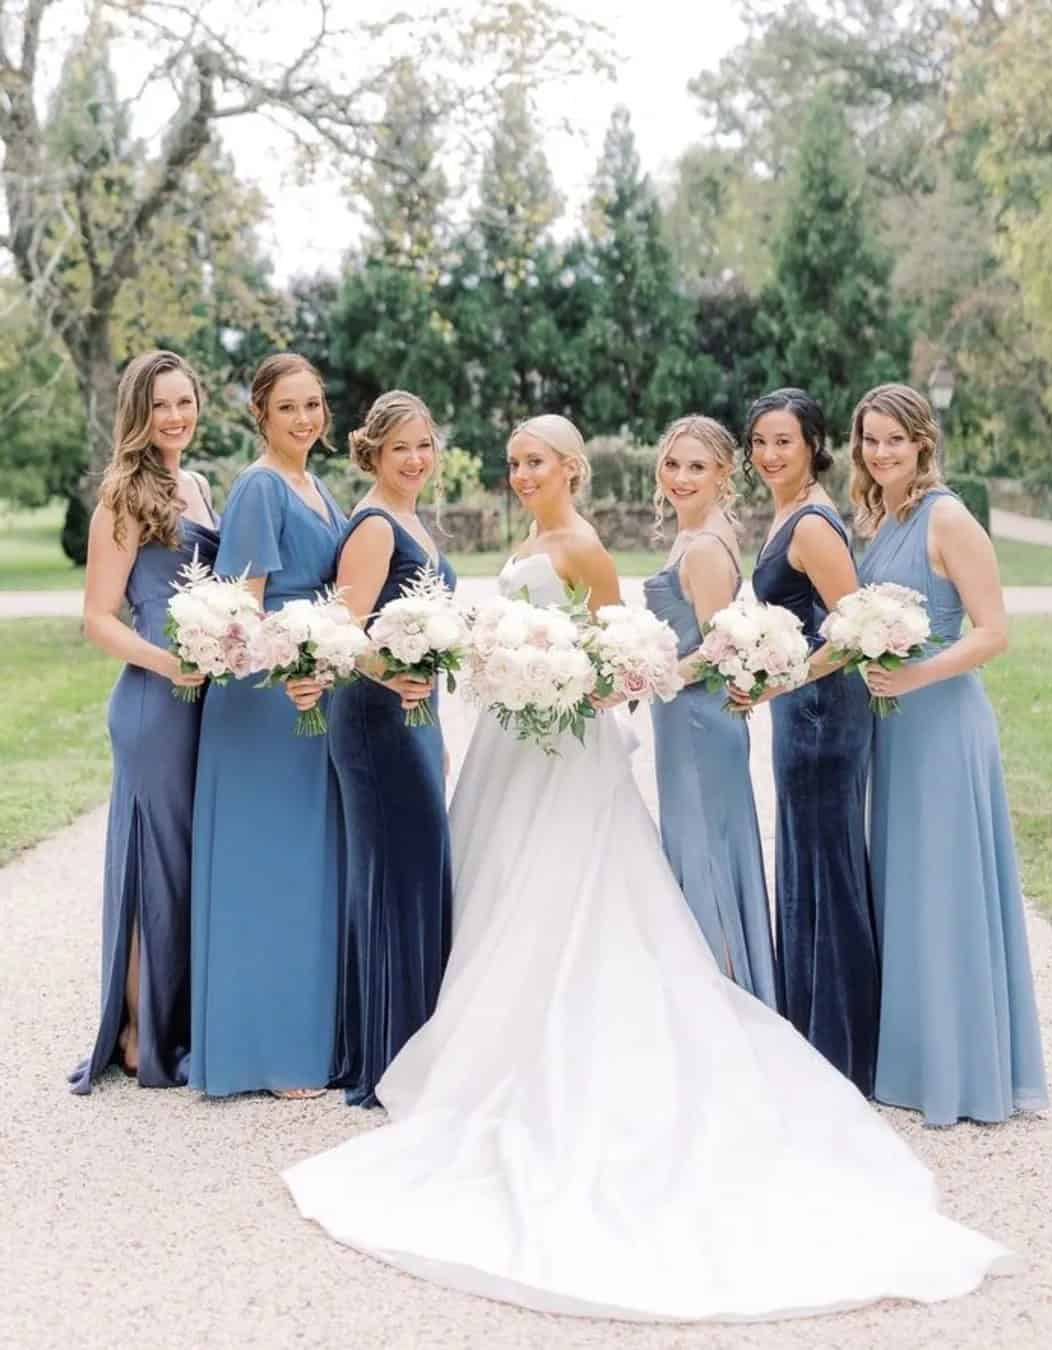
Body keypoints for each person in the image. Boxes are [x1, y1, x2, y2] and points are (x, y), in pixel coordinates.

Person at [282, 414, 1013, 1323]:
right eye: (512, 462)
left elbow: (605, 647)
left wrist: (571, 673)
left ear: (572, 468)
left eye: (535, 461)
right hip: (517, 732)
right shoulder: (538, 539)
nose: (520, 474)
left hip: (565, 730)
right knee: (500, 871)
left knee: (583, 878)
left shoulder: (587, 546)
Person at [852, 382, 1048, 1126]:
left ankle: (963, 1072)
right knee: (906, 885)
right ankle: (913, 1058)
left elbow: (994, 631)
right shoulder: (885, 517)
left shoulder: (948, 516)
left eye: (894, 440)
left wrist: (917, 673)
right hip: (894, 725)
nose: (880, 452)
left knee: (946, 888)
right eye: (870, 440)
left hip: (943, 723)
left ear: (922, 442)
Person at [289, 390, 454, 1107]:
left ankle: (414, 1042)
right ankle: (386, 1051)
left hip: (411, 719)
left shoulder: (411, 516)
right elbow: (342, 631)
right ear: (374, 454)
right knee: (393, 873)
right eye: (400, 450)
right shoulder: (376, 526)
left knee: (416, 868)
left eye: (424, 446)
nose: (415, 460)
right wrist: (392, 675)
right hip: (373, 721)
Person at [189, 353, 346, 1099]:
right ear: (261, 412)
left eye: (313, 404)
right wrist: (289, 674)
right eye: (289, 407)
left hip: (307, 689)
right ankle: (266, 1049)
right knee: (270, 870)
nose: (306, 419)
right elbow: (242, 610)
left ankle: (302, 1031)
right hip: (264, 700)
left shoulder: (315, 484)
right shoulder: (258, 486)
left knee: (304, 866)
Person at [71, 350, 218, 1093]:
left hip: (201, 702)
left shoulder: (197, 485)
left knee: (189, 861)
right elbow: (99, 618)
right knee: (152, 863)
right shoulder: (123, 496)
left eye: (185, 402)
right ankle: (136, 1031)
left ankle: (176, 1019)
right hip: (154, 702)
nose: (175, 417)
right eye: (161, 405)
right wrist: (167, 665)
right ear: (139, 412)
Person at [739, 387, 879, 1094]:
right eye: (760, 442)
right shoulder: (787, 510)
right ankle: (813, 1033)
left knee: (827, 868)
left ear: (813, 443)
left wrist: (776, 680)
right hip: (801, 708)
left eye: (783, 442)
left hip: (823, 712)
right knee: (806, 863)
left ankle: (842, 1047)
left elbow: (854, 631)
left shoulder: (814, 524)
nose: (768, 455)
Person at [642, 415, 775, 1003]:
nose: (681, 477)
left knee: (707, 857)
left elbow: (719, 648)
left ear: (724, 473)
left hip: (699, 721)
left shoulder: (704, 547)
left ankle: (726, 1004)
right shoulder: (694, 531)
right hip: (682, 717)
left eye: (697, 466)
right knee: (697, 848)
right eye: (672, 464)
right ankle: (709, 998)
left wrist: (647, 674)